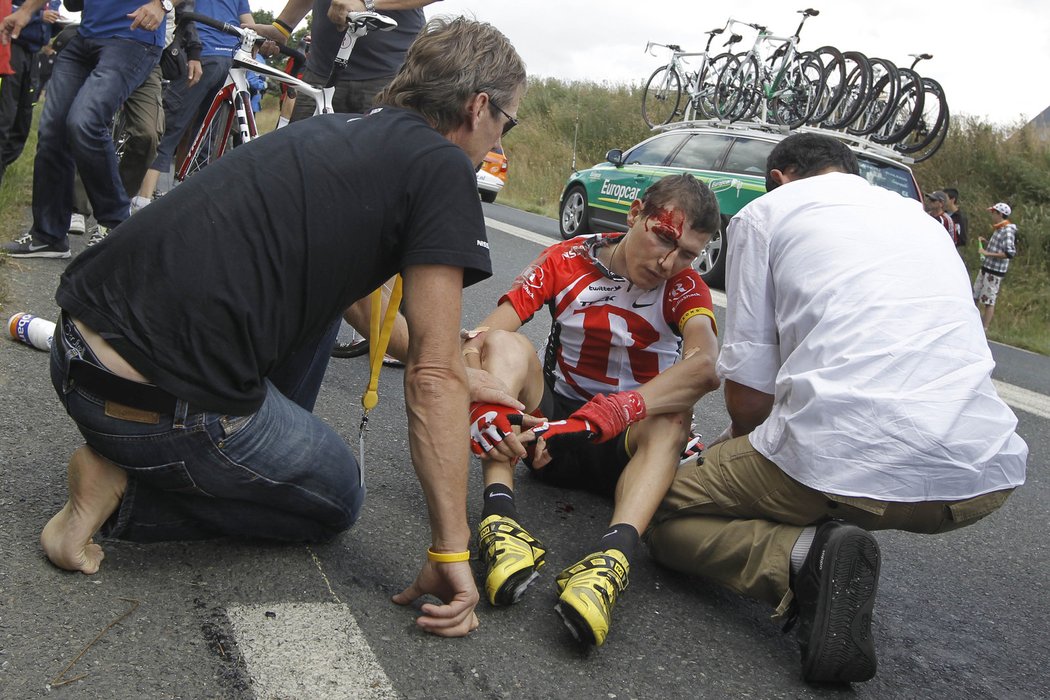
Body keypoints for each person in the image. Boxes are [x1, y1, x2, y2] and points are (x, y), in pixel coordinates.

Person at [41, 16, 525, 640]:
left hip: (76, 349)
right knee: (338, 500)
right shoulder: (444, 168)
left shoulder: (334, 129)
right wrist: (450, 551)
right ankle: (122, 494)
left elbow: (368, 307)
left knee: (325, 299)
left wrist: (462, 371)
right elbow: (430, 377)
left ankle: (223, 452)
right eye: (505, 124)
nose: (497, 140)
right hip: (158, 405)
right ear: (478, 105)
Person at [646, 133, 1027, 683]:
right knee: (811, 467)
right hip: (978, 477)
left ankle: (800, 558)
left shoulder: (766, 213)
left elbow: (751, 400)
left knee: (656, 507)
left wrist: (731, 456)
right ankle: (819, 533)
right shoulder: (925, 221)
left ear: (779, 176)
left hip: (840, 456)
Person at [461, 173, 722, 647]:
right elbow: (479, 338)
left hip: (629, 447)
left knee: (673, 413)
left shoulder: (685, 286)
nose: (669, 262)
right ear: (635, 213)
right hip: (552, 435)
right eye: (663, 237)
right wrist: (480, 400)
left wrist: (620, 410)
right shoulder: (567, 258)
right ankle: (499, 521)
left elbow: (705, 367)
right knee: (502, 344)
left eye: (687, 253)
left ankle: (609, 563)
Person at [0, 0, 167, 258]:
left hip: (134, 38)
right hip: (86, 36)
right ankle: (49, 235)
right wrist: (25, 11)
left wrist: (162, 4)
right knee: (53, 128)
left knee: (84, 121)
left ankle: (121, 232)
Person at [133, 0, 249, 208]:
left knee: (170, 127)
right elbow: (249, 24)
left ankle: (143, 200)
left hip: (201, 52)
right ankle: (189, 202)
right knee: (205, 137)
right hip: (229, 59)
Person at [251, 0, 437, 121]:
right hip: (322, 73)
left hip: (392, 76)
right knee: (303, 160)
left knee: (383, 168)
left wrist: (368, 2)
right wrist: (282, 27)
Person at [0, 0, 59, 187]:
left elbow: (49, 29)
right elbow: (6, 11)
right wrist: (38, 15)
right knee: (5, 116)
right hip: (10, 47)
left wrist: (55, 22)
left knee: (23, 120)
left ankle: (4, 164)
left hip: (33, 55)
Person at [974, 202, 1018, 331]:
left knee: (989, 299)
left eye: (993, 213)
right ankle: (973, 324)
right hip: (986, 267)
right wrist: (986, 243)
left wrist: (987, 253)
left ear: (1000, 214)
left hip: (995, 271)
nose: (992, 215)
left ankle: (984, 327)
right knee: (975, 294)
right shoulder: (999, 228)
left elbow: (1009, 253)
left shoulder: (1007, 230)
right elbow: (1000, 247)